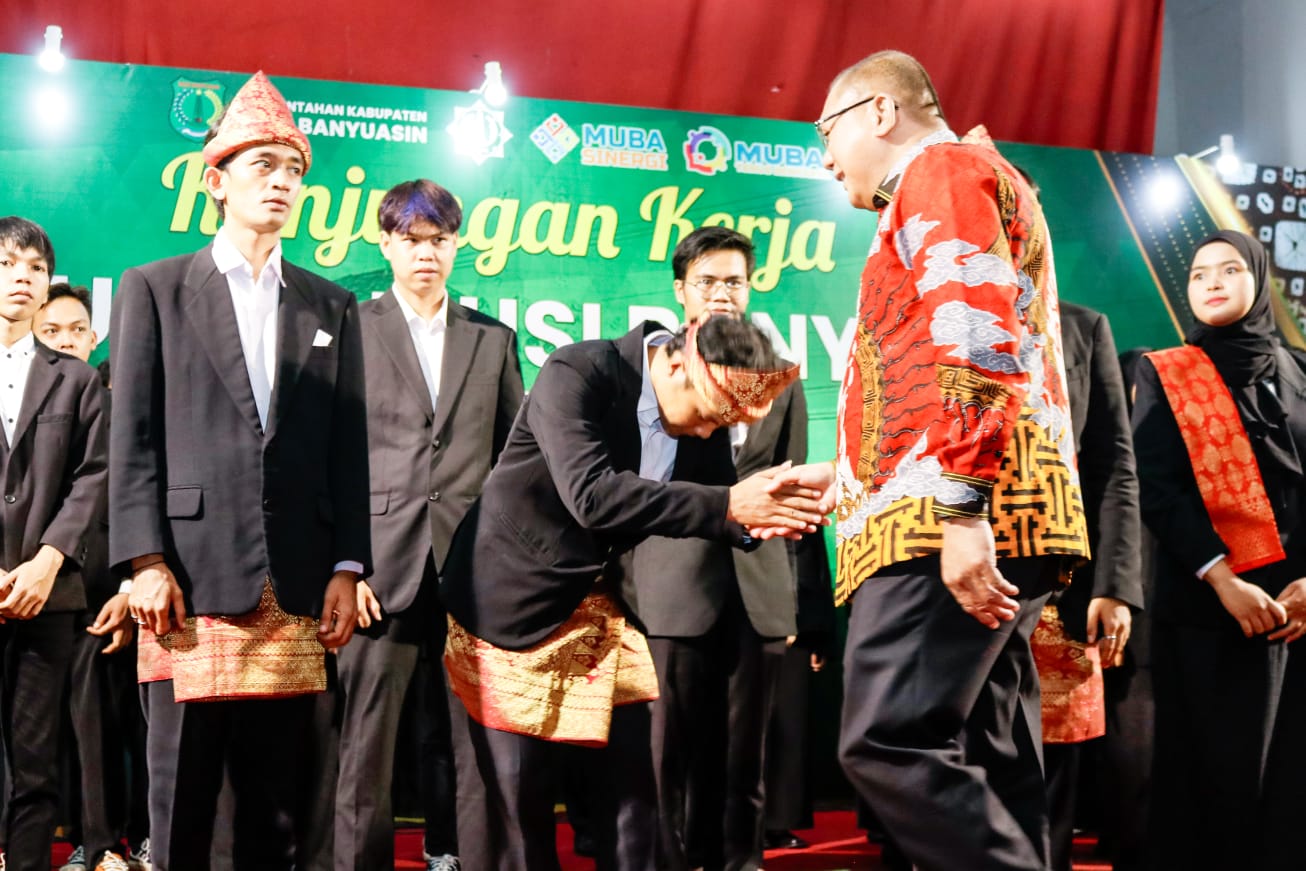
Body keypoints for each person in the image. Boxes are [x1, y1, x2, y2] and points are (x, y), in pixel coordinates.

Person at [778, 50, 1090, 870]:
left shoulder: (940, 169)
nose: (824, 157)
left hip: (947, 522)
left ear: (881, 112)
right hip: (995, 506)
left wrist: (960, 506)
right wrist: (848, 476)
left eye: (826, 130)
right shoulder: (955, 179)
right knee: (993, 753)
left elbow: (978, 338)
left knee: (887, 740)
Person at [441, 315, 824, 871]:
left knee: (635, 800)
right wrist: (728, 505)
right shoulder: (578, 371)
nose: (707, 434)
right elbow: (592, 497)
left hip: (602, 605)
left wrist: (777, 507)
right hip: (508, 600)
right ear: (675, 364)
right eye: (708, 417)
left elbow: (718, 502)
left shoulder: (703, 418)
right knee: (520, 809)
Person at [109, 72, 369, 870]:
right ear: (216, 181)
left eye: (293, 169)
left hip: (295, 583)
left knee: (278, 806)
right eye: (263, 165)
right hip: (187, 580)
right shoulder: (155, 288)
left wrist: (348, 564)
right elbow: (133, 435)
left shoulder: (330, 304)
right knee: (181, 798)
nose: (282, 182)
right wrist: (144, 560)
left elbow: (348, 448)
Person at [327, 179, 523, 871]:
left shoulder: (493, 339)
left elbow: (515, 463)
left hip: (472, 576)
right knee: (364, 751)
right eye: (411, 240)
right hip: (377, 573)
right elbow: (326, 458)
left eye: (439, 240)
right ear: (385, 244)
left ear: (457, 245)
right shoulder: (350, 328)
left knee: (477, 748)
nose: (426, 253)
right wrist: (345, 564)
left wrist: (505, 567)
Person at [621, 226, 807, 871]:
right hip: (669, 585)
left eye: (735, 281)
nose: (722, 292)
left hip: (758, 589)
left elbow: (791, 490)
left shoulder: (780, 374)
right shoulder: (655, 369)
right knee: (663, 755)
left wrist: (792, 601)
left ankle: (740, 862)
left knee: (743, 760)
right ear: (681, 290)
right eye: (707, 281)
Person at [1132, 230, 1306, 870]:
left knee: (1291, 780)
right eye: (1199, 272)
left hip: (1298, 607)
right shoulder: (1166, 371)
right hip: (1210, 604)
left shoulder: (1300, 367)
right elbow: (1157, 488)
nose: (1211, 281)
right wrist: (1224, 579)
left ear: (1259, 281)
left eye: (1230, 269)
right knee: (1214, 777)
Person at [0, 219, 109, 871]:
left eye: (36, 267)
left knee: (36, 762)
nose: (22, 277)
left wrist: (47, 561)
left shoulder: (75, 380)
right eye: (7, 264)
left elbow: (94, 476)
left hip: (50, 594)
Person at [35, 285, 148, 871]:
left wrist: (131, 586)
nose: (65, 341)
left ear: (94, 337)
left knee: (104, 724)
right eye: (51, 331)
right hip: (34, 584)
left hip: (107, 588)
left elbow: (141, 495)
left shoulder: (119, 403)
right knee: (39, 728)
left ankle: (107, 844)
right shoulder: (19, 400)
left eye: (76, 330)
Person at [1037, 301, 1141, 871]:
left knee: (1053, 771)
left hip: (1062, 590)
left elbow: (1113, 466)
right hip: (957, 585)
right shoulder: (938, 307)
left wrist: (1115, 584)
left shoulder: (1081, 326)